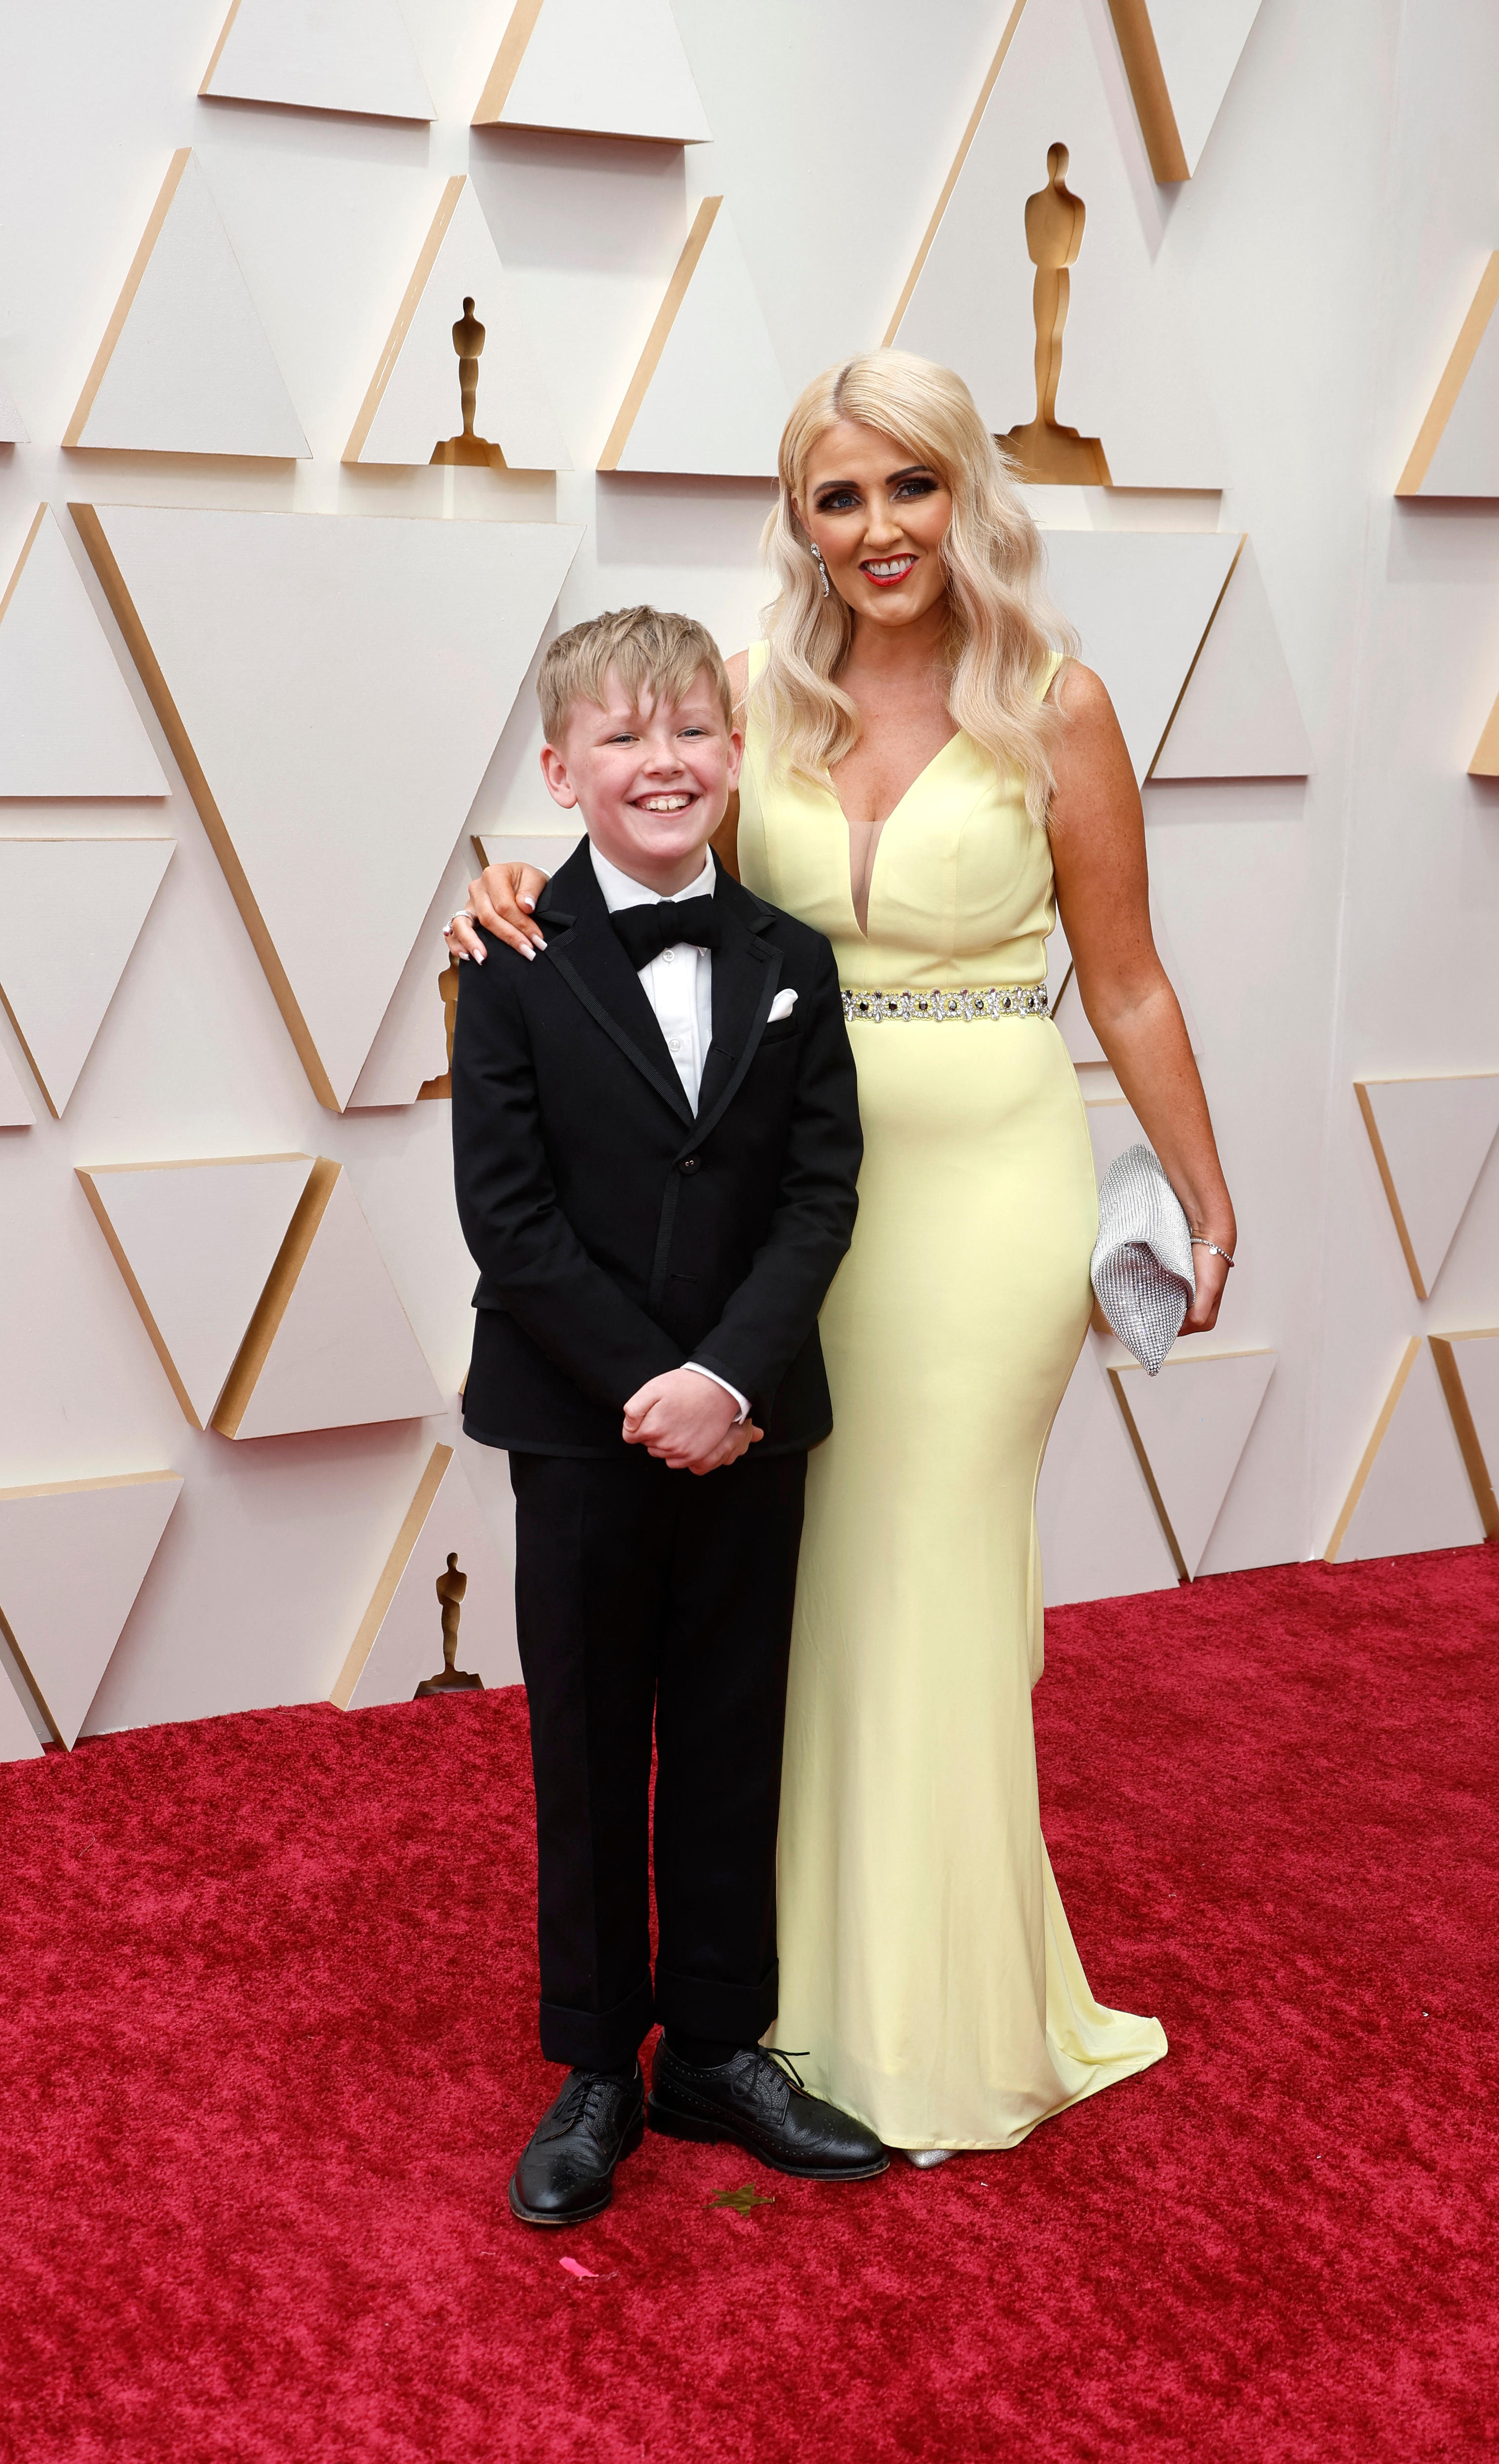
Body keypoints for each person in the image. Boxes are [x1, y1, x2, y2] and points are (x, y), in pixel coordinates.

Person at [448, 352, 1237, 2162]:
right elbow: (627, 838)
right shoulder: (746, 695)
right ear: (797, 519)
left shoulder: (1062, 706)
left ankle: (933, 2019)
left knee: (930, 1583)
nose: (877, 530)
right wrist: (501, 891)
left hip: (984, 1206)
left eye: (911, 488)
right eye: (837, 496)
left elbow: (1124, 978)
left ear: (968, 495)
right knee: (775, 1598)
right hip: (763, 1219)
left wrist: (1203, 1197)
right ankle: (752, 2010)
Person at [451, 603, 887, 2225]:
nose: (664, 761)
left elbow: (821, 1194)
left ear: (736, 751)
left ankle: (716, 2044)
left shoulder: (794, 960)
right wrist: (648, 1384)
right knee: (586, 1741)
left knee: (729, 1732)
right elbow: (510, 1218)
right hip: (582, 1424)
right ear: (560, 771)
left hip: (751, 1417)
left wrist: (731, 1378)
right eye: (624, 737)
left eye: (692, 730)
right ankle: (597, 2067)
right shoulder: (505, 960)